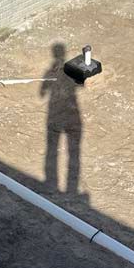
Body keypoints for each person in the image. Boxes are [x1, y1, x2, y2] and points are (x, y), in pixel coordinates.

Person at [40, 43, 82, 194]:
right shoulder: (69, 72)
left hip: (55, 114)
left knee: (52, 149)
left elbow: (42, 93)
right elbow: (80, 84)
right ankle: (71, 189)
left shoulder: (49, 73)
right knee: (73, 150)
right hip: (71, 114)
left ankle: (51, 186)